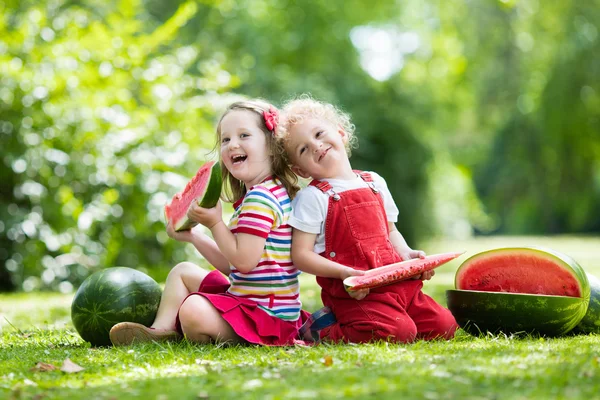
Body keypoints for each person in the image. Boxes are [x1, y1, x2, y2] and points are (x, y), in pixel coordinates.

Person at [110, 99, 309, 346]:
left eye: (244, 135)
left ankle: (194, 328)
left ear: (271, 146)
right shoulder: (267, 192)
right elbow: (232, 266)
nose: (232, 144)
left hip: (266, 320)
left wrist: (215, 224)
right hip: (252, 303)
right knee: (182, 271)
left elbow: (244, 263)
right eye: (225, 140)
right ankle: (159, 331)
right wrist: (194, 236)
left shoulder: (261, 197)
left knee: (193, 309)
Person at [277, 96, 458, 344]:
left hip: (401, 287)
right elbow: (301, 255)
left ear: (340, 133)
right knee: (399, 333)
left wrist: (407, 255)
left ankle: (396, 314)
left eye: (319, 134)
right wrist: (343, 273)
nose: (315, 146)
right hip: (357, 297)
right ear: (301, 171)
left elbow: (390, 231)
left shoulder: (374, 181)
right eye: (303, 149)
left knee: (444, 327)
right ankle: (323, 330)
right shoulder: (312, 197)